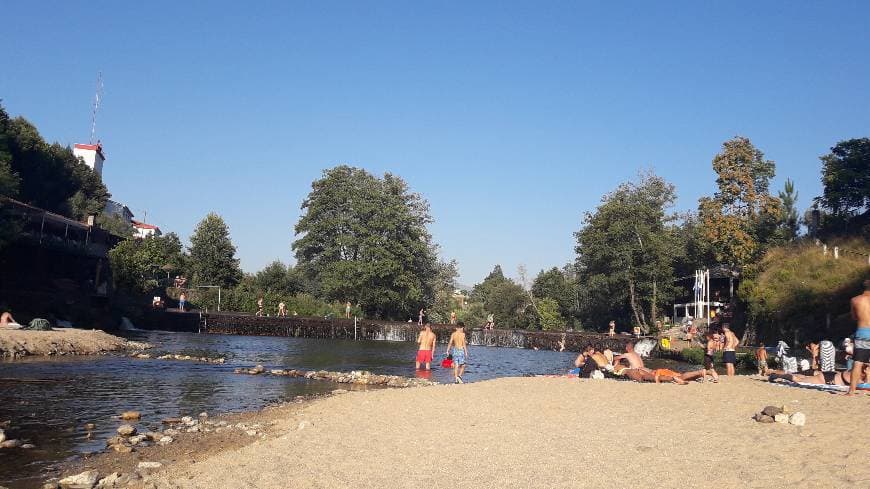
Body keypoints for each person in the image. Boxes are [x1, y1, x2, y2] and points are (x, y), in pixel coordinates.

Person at [847, 279, 870, 396]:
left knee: (858, 362)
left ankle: (851, 391)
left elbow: (854, 317)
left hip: (863, 333)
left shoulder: (855, 300)